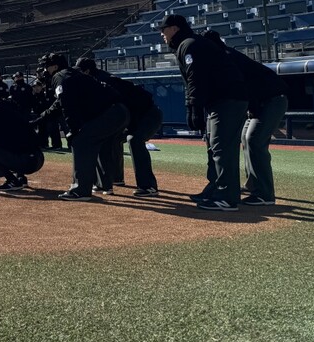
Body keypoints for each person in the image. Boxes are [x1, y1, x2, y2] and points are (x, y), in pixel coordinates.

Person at [159, 15, 248, 212]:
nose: (162, 35)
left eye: (163, 30)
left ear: (174, 29)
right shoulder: (190, 43)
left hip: (226, 99)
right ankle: (215, 189)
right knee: (214, 146)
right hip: (221, 99)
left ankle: (226, 196)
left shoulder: (190, 44)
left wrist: (193, 107)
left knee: (221, 147)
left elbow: (195, 78)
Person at [203, 30, 288, 206]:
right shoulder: (227, 55)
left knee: (254, 140)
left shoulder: (227, 58)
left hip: (272, 100)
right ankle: (254, 185)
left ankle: (264, 193)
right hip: (262, 101)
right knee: (246, 138)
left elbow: (246, 84)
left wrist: (252, 108)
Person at [31, 53, 129, 201]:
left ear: (55, 66)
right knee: (97, 143)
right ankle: (103, 184)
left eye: (46, 66)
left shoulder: (60, 76)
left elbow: (66, 104)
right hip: (119, 111)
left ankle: (80, 190)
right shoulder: (71, 74)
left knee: (81, 141)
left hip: (109, 113)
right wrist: (39, 119)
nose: (44, 70)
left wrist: (73, 130)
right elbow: (58, 105)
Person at [75, 57, 163, 197]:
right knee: (109, 139)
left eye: (80, 71)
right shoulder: (98, 80)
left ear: (87, 71)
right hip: (132, 117)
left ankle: (148, 186)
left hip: (148, 114)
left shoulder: (103, 81)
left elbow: (139, 101)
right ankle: (115, 179)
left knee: (134, 140)